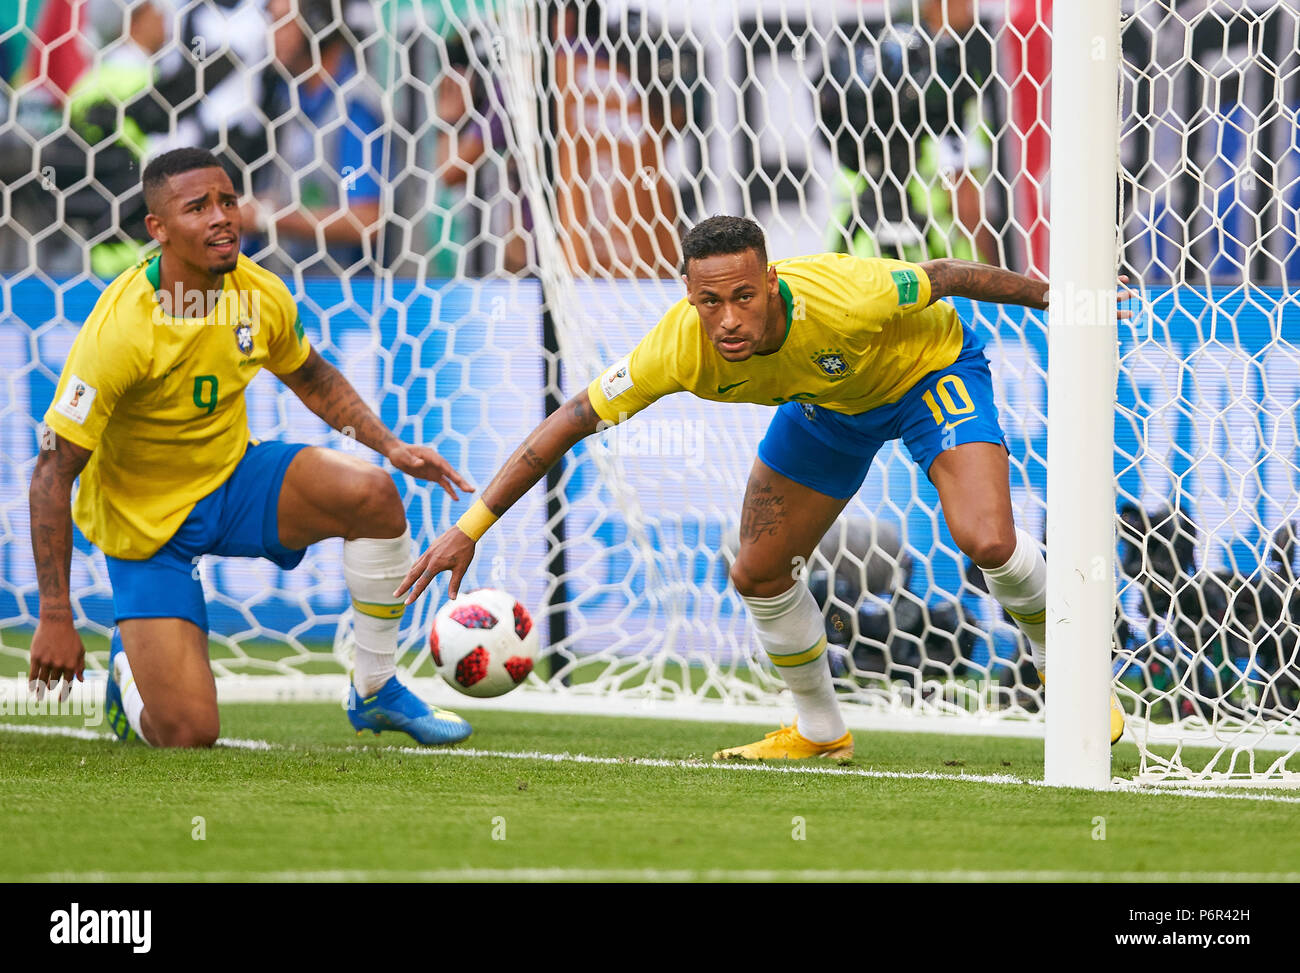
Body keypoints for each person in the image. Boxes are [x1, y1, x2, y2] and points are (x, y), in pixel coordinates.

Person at [396, 215, 1127, 758]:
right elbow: (570, 421)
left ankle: (1063, 664)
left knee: (988, 539)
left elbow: (950, 274)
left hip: (927, 371)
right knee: (757, 569)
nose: (728, 319)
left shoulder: (848, 293)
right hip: (826, 405)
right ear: (688, 294)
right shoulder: (677, 347)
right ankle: (820, 729)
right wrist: (470, 527)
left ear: (770, 281)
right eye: (709, 302)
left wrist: (1057, 298)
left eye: (744, 296)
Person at [28, 147, 474, 748]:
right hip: (144, 525)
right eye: (198, 207)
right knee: (187, 734)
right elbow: (52, 474)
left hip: (231, 479)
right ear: (157, 229)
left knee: (371, 492)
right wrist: (55, 614)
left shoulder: (258, 293)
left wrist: (391, 446)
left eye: (228, 201)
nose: (222, 217)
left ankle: (374, 689)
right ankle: (128, 674)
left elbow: (311, 376)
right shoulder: (121, 328)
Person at [817, 0, 999, 264]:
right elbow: (961, 187)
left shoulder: (870, 56)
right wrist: (993, 273)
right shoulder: (947, 77)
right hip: (930, 251)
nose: (973, 5)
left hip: (855, 247)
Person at [240, 0, 383, 274]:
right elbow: (293, 194)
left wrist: (266, 217)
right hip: (298, 290)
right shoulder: (290, 99)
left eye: (281, 21)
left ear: (316, 23)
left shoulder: (355, 109)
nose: (270, 34)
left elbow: (364, 218)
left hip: (349, 299)